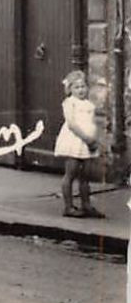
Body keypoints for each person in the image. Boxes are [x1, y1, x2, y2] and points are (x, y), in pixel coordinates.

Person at [55, 69, 104, 218]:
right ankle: (68, 206)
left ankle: (86, 204)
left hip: (87, 142)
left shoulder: (89, 104)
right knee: (71, 172)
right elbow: (72, 124)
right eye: (76, 87)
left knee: (85, 176)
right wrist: (86, 138)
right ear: (69, 89)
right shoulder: (70, 103)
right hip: (75, 140)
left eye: (83, 86)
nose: (81, 90)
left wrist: (94, 139)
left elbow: (94, 123)